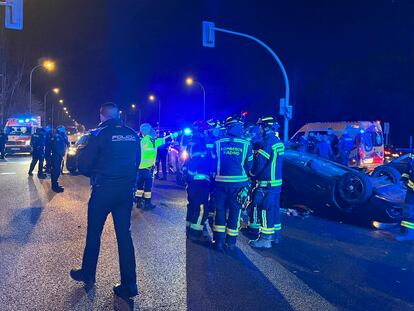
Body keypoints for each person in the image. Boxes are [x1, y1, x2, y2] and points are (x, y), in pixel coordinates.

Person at [70, 102, 140, 298]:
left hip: (103, 191)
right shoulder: (132, 134)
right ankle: (130, 284)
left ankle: (88, 273)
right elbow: (137, 162)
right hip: (125, 192)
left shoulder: (98, 134)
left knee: (94, 234)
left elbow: (83, 165)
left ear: (102, 115)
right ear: (118, 115)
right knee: (124, 237)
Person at [212, 116, 253, 251]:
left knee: (220, 211)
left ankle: (218, 242)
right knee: (235, 213)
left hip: (220, 183)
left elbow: (212, 162)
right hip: (238, 184)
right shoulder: (247, 144)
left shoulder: (218, 143)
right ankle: (230, 243)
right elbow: (249, 165)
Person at [247, 117, 284, 248]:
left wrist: (251, 174)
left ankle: (265, 239)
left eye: (261, 127)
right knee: (274, 209)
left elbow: (260, 164)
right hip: (276, 184)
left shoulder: (267, 143)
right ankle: (275, 236)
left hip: (266, 183)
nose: (260, 130)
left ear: (266, 127)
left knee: (264, 209)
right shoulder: (277, 141)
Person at [182, 122, 214, 241]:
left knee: (192, 205)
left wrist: (187, 176)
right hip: (201, 181)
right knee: (201, 208)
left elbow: (186, 162)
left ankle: (189, 228)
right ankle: (195, 233)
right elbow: (202, 162)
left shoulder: (190, 144)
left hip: (192, 181)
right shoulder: (203, 145)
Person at [135, 124, 178, 209]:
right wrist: (177, 134)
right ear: (148, 131)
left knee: (139, 187)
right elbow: (165, 139)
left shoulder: (139, 141)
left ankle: (138, 202)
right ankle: (147, 204)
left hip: (139, 169)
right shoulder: (152, 141)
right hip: (148, 168)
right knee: (148, 187)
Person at [396, 154, 414, 241]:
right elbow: (408, 168)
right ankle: (407, 233)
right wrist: (403, 179)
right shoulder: (412, 155)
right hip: (411, 190)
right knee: (408, 211)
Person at [50, 126, 70, 192]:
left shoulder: (61, 136)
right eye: (63, 129)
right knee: (55, 171)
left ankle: (56, 184)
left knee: (57, 171)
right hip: (56, 156)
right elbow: (57, 148)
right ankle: (54, 186)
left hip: (58, 156)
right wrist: (60, 154)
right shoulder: (57, 136)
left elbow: (67, 143)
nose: (64, 130)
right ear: (60, 130)